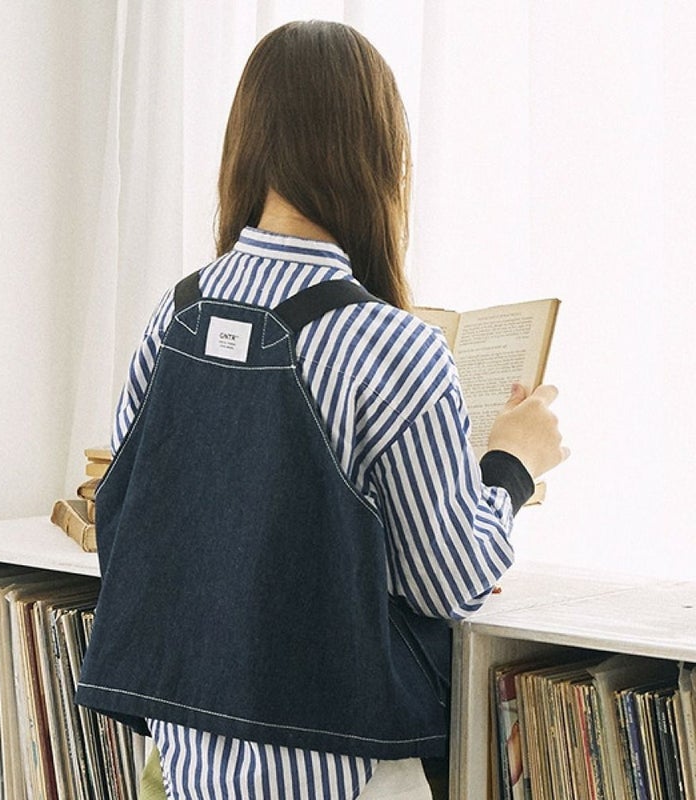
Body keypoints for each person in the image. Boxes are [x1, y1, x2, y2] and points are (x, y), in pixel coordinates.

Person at [76, 19, 568, 800]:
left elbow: (145, 529)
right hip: (343, 770)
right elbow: (449, 583)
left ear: (245, 142)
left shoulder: (173, 319)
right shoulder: (393, 346)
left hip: (187, 767)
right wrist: (512, 463)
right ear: (379, 156)